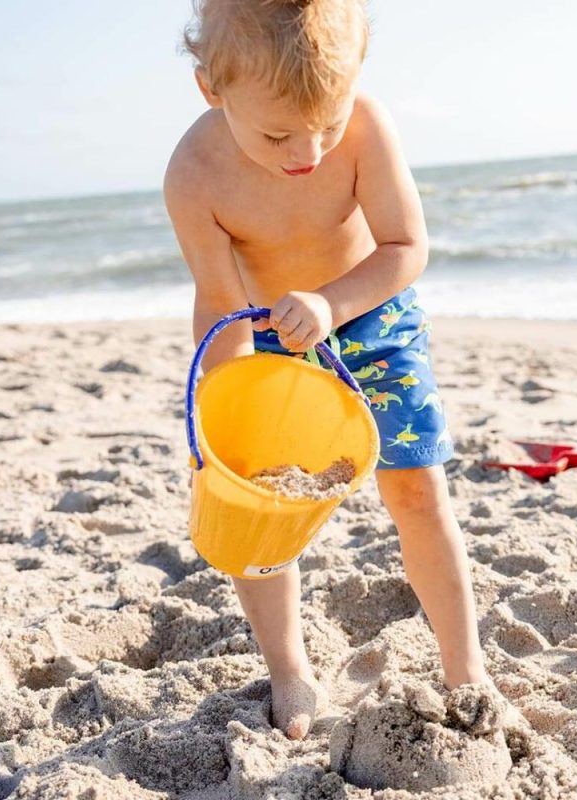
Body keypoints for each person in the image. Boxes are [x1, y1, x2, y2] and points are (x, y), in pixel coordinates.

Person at [164, 0, 491, 740]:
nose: (306, 152)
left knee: (416, 488)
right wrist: (222, 411)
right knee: (256, 508)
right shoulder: (194, 175)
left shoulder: (367, 126)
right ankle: (289, 668)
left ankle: (464, 667)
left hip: (371, 318)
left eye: (328, 122)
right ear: (212, 91)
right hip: (268, 338)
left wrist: (332, 301)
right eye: (278, 133)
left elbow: (405, 246)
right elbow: (218, 298)